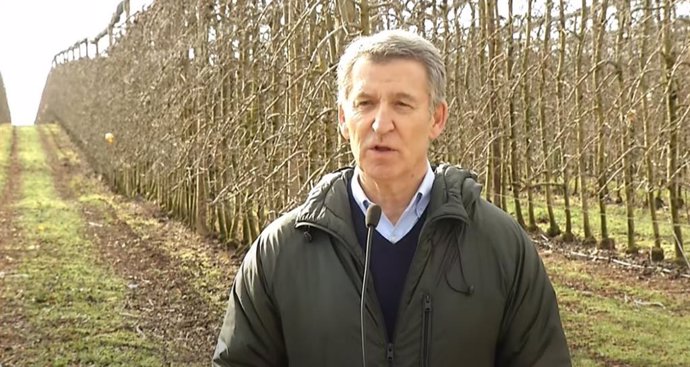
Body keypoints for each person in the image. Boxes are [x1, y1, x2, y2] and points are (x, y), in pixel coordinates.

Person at [213, 29, 572, 367]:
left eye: (402, 104)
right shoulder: (281, 252)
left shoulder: (500, 246)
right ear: (342, 119)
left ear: (437, 119)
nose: (380, 124)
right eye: (365, 103)